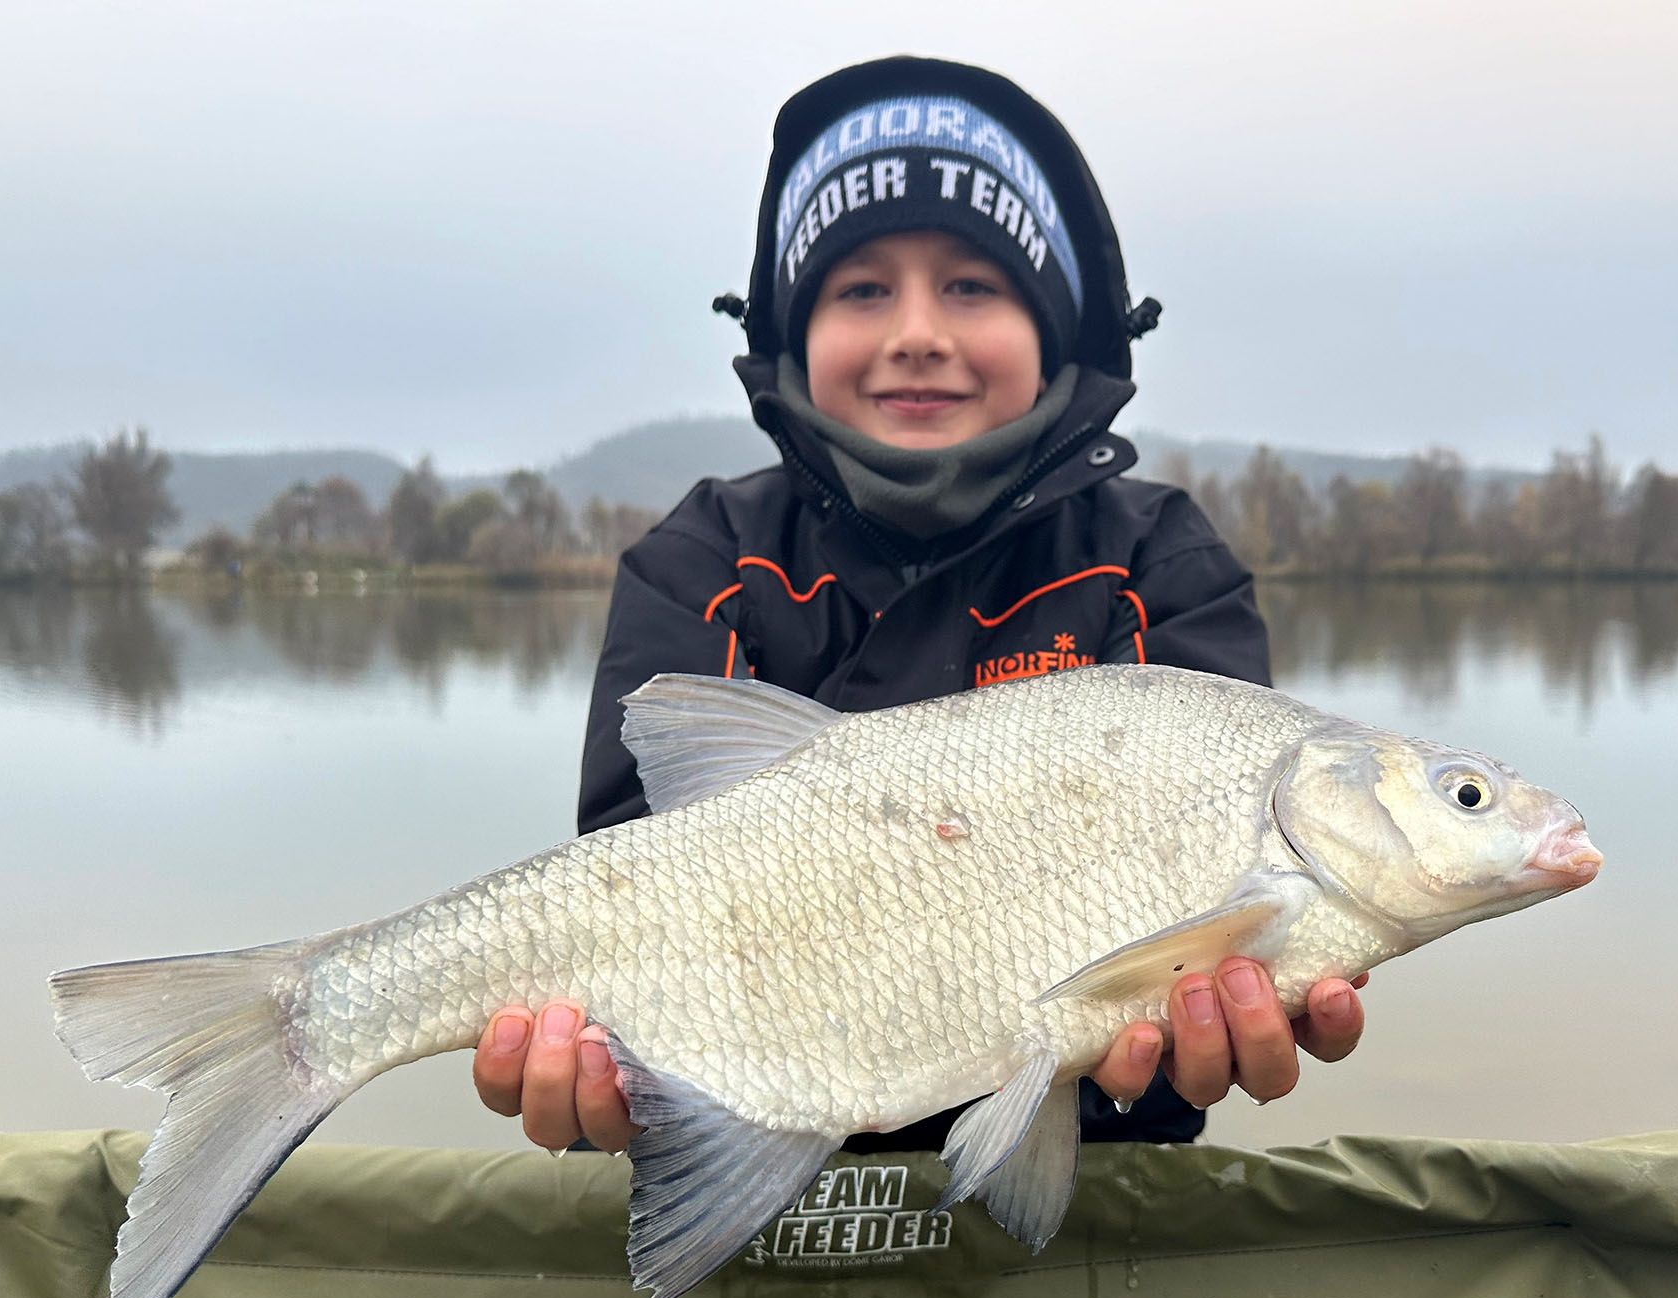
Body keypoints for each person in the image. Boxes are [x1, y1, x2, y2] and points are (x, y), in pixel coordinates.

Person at [471, 56, 1366, 1156]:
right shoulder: (702, 561)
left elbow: (1211, 981)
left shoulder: (1155, 558)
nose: (917, 333)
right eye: (861, 289)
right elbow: (631, 891)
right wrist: (619, 1078)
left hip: (1098, 1185)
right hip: (771, 1167)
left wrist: (1198, 1045)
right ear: (792, 334)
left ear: (1055, 331)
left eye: (972, 286)